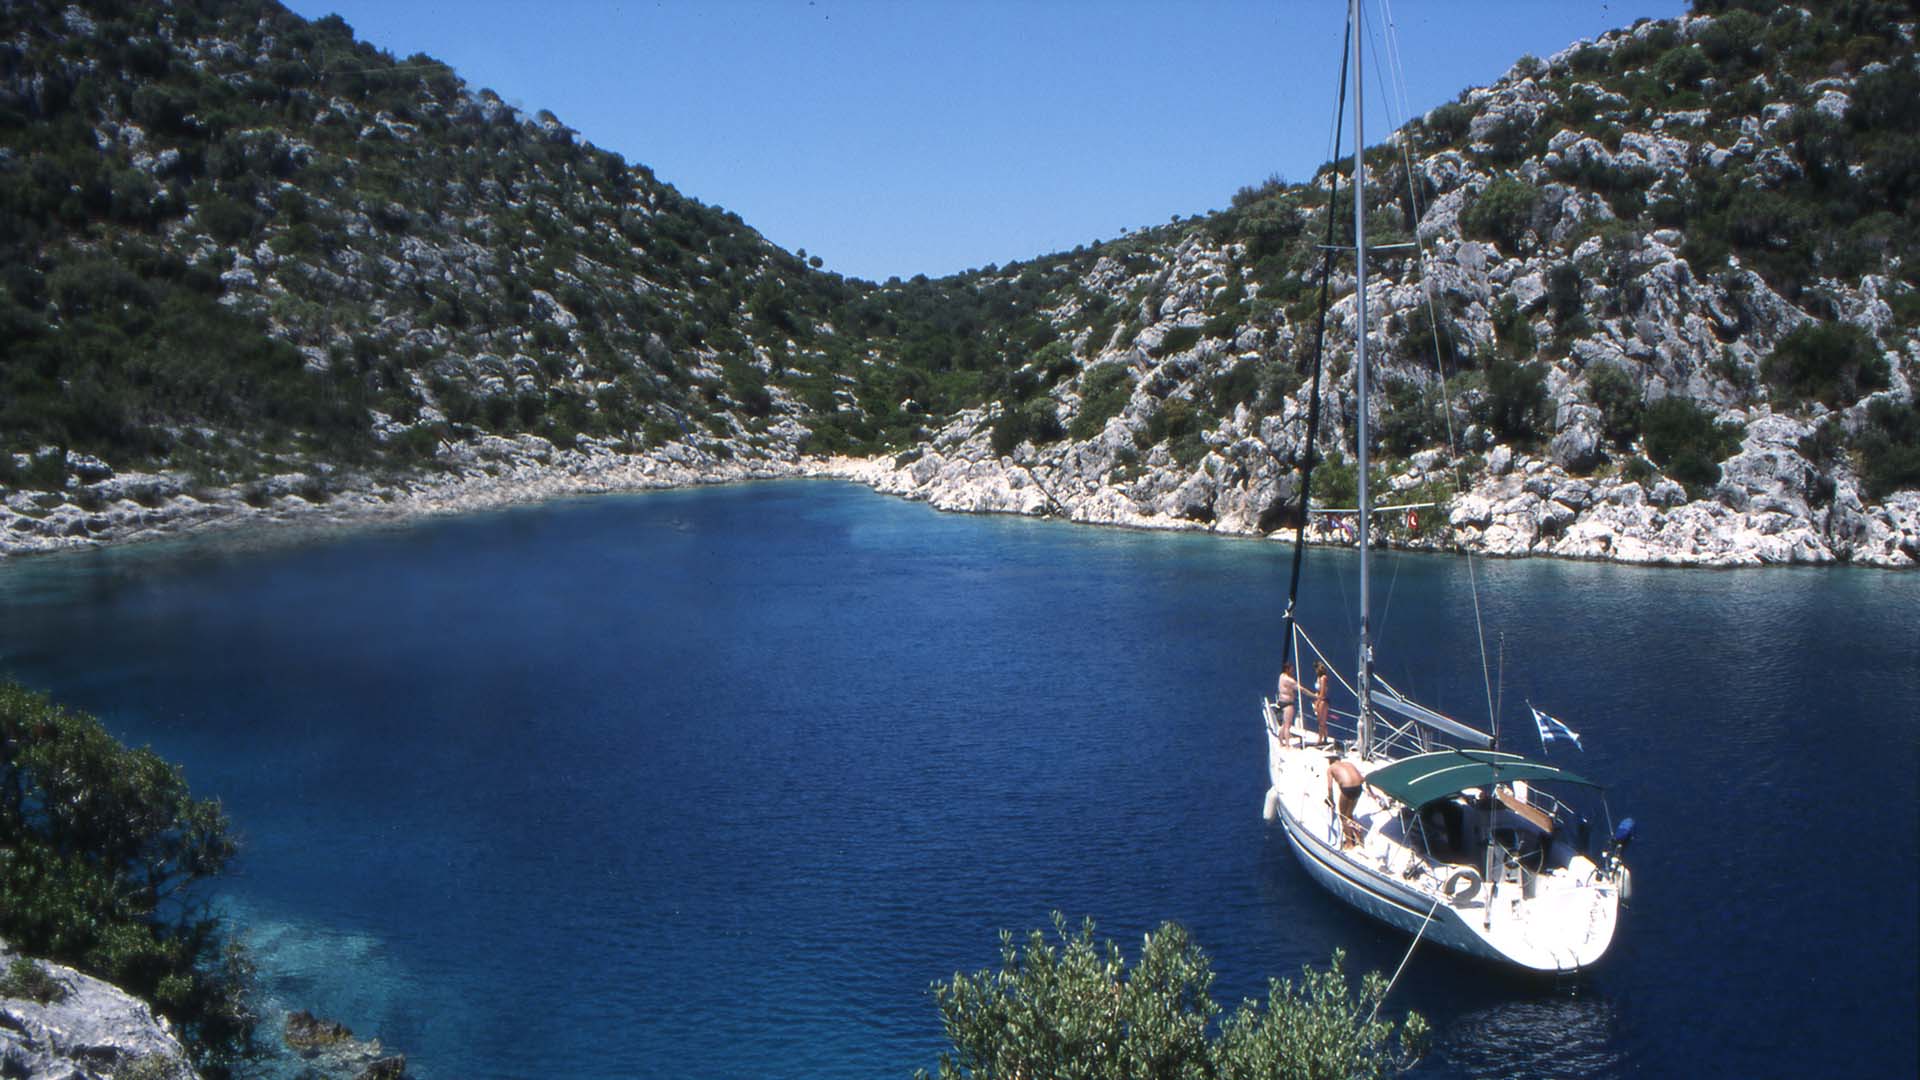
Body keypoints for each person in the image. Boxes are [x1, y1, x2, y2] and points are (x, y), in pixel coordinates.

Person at [1328, 759, 1365, 848]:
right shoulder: (1349, 763)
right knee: (1349, 814)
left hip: (1347, 789)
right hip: (1358, 788)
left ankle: (1349, 843)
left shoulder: (1330, 768)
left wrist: (1331, 800)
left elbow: (1329, 787)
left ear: (1330, 761)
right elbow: (1362, 779)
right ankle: (1357, 832)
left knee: (1343, 816)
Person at [1276, 660, 1299, 745]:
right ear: (1287, 669)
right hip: (1288, 704)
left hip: (1281, 702)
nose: (1292, 671)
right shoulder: (1289, 680)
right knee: (1287, 725)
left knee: (1284, 724)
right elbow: (1301, 689)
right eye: (1291, 669)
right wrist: (1313, 695)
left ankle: (1280, 741)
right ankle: (1287, 745)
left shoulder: (1281, 676)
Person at [1312, 661, 1331, 746]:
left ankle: (1320, 739)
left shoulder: (1323, 678)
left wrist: (1317, 703)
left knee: (1321, 722)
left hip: (1322, 701)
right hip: (1318, 699)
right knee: (1321, 721)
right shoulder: (1318, 678)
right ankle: (1325, 738)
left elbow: (1322, 692)